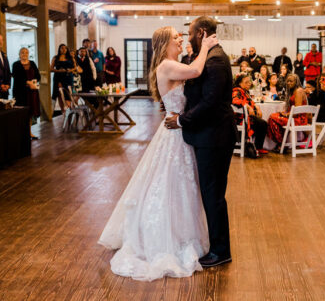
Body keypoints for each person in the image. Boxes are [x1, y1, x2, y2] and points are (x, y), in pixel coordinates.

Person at [99, 24, 220, 280]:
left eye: (180, 36)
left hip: (180, 130)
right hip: (174, 135)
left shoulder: (173, 64)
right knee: (171, 185)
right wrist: (206, 47)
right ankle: (167, 237)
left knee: (183, 186)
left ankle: (186, 232)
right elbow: (197, 70)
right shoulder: (165, 66)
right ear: (165, 43)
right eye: (176, 37)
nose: (180, 39)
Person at [165, 16, 236, 268]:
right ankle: (215, 244)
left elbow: (211, 103)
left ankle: (221, 250)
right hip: (208, 134)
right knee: (209, 192)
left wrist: (182, 120)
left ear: (201, 33)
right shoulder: (207, 55)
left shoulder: (215, 60)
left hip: (215, 136)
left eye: (190, 32)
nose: (187, 36)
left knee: (213, 194)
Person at [267, 74, 307, 148]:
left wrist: (285, 115)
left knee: (272, 117)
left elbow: (296, 112)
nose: (289, 83)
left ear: (296, 82)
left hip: (299, 120)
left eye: (291, 81)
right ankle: (281, 143)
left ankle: (281, 144)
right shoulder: (293, 91)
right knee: (273, 117)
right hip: (294, 118)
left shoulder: (298, 91)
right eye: (287, 81)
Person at [232, 73, 269, 154]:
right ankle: (256, 147)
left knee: (262, 123)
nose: (249, 83)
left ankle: (255, 146)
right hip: (240, 119)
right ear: (240, 83)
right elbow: (235, 100)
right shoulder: (236, 91)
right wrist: (248, 107)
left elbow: (250, 101)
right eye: (246, 82)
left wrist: (257, 107)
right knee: (263, 124)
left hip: (246, 117)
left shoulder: (244, 91)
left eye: (249, 82)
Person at [12, 47, 40, 140]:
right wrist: (28, 83)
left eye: (26, 52)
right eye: (22, 52)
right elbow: (17, 78)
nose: (24, 54)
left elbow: (38, 76)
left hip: (32, 92)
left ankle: (29, 132)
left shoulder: (32, 63)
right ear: (19, 54)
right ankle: (21, 133)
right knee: (22, 112)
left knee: (30, 113)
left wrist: (33, 82)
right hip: (21, 92)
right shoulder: (16, 64)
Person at [50, 44, 76, 112]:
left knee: (67, 93)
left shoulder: (70, 57)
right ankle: (63, 112)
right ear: (59, 49)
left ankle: (69, 110)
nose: (64, 49)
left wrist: (70, 70)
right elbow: (51, 69)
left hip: (68, 77)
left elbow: (75, 68)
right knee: (59, 94)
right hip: (58, 77)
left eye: (65, 48)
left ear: (67, 49)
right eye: (62, 48)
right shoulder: (55, 58)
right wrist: (59, 71)